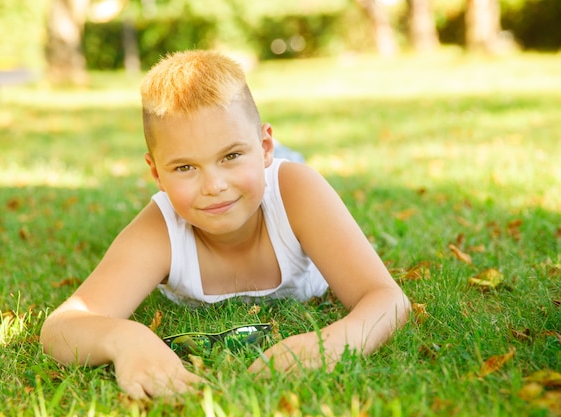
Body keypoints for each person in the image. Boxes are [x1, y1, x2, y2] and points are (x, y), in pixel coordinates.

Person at [40, 50, 410, 399]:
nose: (214, 186)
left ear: (265, 146)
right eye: (185, 167)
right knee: (238, 178)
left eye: (230, 155)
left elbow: (387, 298)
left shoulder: (298, 191)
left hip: (277, 181)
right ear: (155, 172)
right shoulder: (160, 229)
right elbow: (62, 327)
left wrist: (336, 341)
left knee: (289, 168)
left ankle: (263, 154)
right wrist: (125, 340)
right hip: (250, 176)